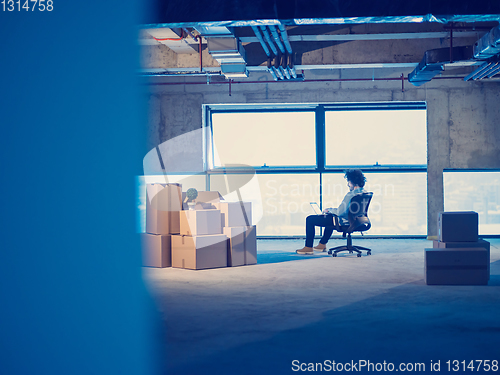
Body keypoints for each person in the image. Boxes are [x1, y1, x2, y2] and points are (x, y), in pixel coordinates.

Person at [296, 169, 367, 255]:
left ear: (352, 182)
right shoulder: (365, 193)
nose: (348, 184)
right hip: (358, 221)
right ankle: (322, 245)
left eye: (348, 182)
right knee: (330, 219)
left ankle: (308, 247)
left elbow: (340, 212)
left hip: (344, 221)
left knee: (310, 219)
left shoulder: (351, 195)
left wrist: (329, 210)